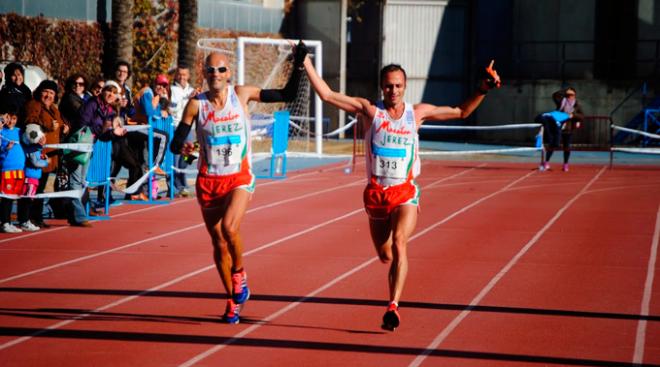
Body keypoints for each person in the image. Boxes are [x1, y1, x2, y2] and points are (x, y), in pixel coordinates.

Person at [302, 51, 501, 331]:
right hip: (376, 195)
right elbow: (327, 95)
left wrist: (483, 89)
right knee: (385, 254)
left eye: (397, 85)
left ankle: (393, 306)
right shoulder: (371, 111)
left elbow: (461, 111)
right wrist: (306, 62)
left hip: (405, 192)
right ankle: (392, 272)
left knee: (399, 242)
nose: (393, 90)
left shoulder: (416, 113)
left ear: (405, 87)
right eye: (388, 85)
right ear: (381, 87)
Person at [170, 46, 306, 324]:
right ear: (204, 74)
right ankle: (232, 300)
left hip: (239, 176)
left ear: (229, 73)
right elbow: (176, 143)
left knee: (230, 228)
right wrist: (187, 147)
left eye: (221, 69)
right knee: (219, 243)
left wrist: (300, 64)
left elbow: (286, 95)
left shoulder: (241, 94)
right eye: (211, 70)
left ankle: (240, 274)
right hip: (209, 180)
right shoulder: (196, 104)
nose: (216, 74)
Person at [23, 80, 70, 228]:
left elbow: (60, 122)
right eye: (45, 91)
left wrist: (66, 127)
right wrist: (48, 126)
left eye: (51, 92)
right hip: (37, 154)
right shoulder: (34, 104)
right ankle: (29, 218)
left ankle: (36, 217)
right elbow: (29, 121)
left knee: (41, 187)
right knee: (34, 187)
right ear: (39, 91)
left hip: (50, 156)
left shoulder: (54, 108)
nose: (48, 95)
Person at [0, 104, 36, 233]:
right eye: (8, 118)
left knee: (16, 196)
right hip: (6, 170)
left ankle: (17, 221)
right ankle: (5, 222)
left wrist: (38, 146)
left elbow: (27, 147)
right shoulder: (1, 132)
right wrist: (5, 149)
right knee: (7, 197)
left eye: (14, 118)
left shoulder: (20, 132)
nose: (11, 121)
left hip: (20, 170)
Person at [537, 87, 584, 172]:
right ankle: (546, 162)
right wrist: (565, 91)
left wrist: (573, 116)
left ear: (575, 95)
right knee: (553, 144)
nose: (570, 97)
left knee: (567, 147)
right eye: (568, 95)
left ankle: (565, 164)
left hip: (568, 128)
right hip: (557, 127)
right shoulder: (561, 102)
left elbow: (582, 116)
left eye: (572, 95)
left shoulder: (577, 105)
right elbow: (555, 95)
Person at [169, 64, 198, 197]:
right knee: (175, 158)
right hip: (174, 126)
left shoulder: (192, 90)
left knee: (188, 155)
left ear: (188, 76)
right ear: (176, 75)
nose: (182, 77)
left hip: (188, 127)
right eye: (179, 74)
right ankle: (179, 185)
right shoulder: (171, 89)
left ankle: (182, 181)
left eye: (184, 75)